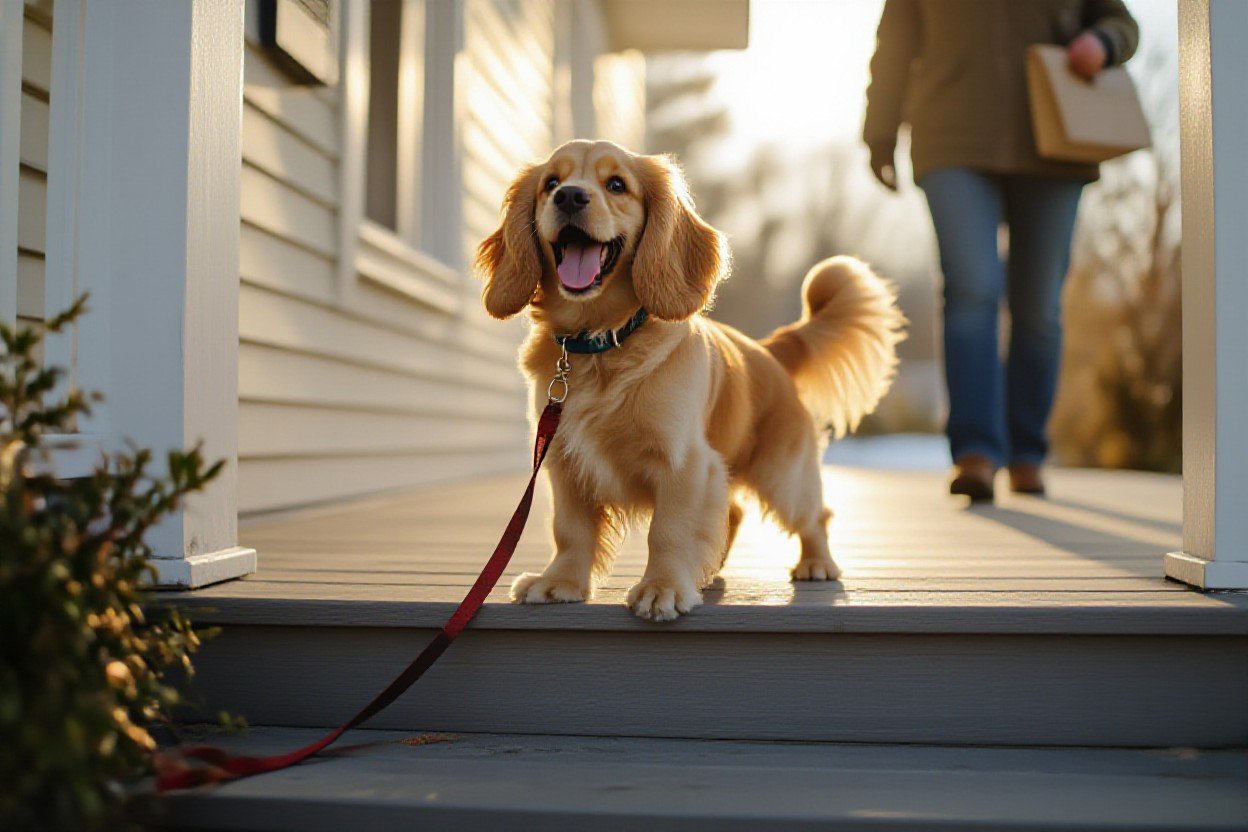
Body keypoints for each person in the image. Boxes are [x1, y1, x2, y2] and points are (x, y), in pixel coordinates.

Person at [864, 0, 1139, 501]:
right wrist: (879, 131)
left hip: (1057, 139)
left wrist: (1102, 43)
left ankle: (1026, 452)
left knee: (1039, 307)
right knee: (972, 289)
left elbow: (1122, 23)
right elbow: (895, 42)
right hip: (952, 138)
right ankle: (976, 452)